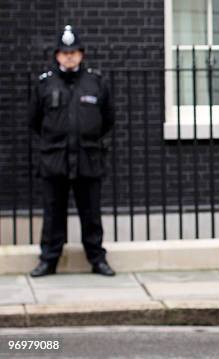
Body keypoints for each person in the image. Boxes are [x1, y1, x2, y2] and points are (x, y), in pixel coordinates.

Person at [28, 25, 115, 277]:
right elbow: (34, 121)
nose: (69, 56)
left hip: (88, 158)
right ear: (57, 55)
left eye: (74, 52)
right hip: (55, 160)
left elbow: (108, 119)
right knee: (53, 214)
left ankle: (97, 259)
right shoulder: (45, 84)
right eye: (64, 52)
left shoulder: (96, 83)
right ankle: (49, 260)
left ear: (81, 54)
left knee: (91, 213)